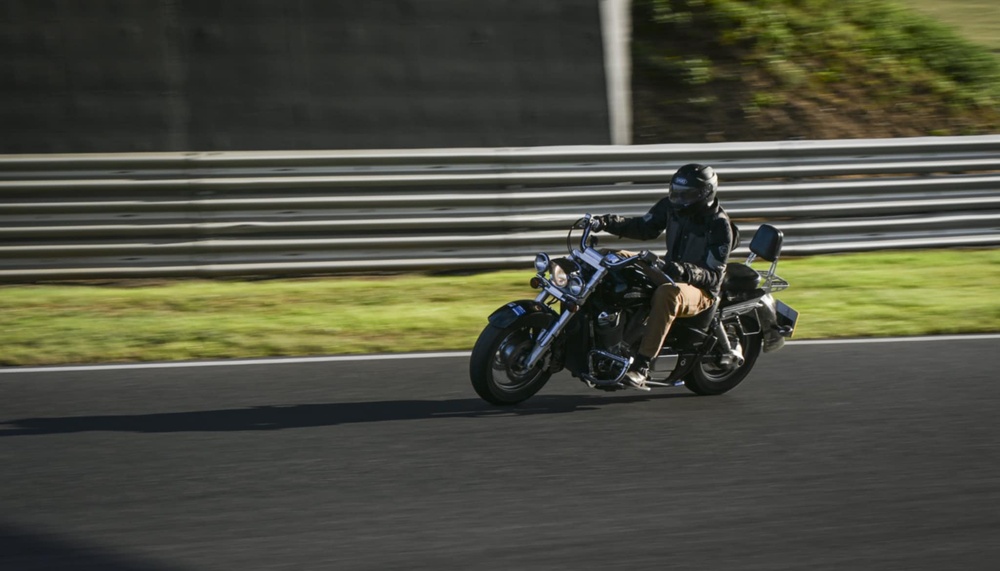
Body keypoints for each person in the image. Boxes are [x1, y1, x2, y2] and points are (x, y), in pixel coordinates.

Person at [595, 163, 734, 390]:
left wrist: (685, 270)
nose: (679, 199)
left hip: (700, 289)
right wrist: (607, 222)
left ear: (705, 194)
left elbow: (713, 275)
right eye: (676, 192)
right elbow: (644, 228)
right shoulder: (670, 206)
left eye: (687, 194)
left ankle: (641, 366)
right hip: (670, 271)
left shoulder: (719, 225)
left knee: (667, 294)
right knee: (611, 257)